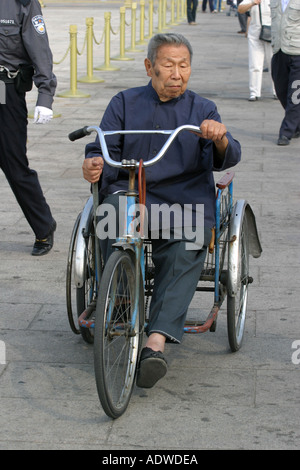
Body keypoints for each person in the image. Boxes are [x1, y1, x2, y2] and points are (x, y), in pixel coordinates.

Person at [82, 33, 241, 389]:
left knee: (187, 243)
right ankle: (120, 294)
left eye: (184, 65)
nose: (177, 73)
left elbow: (228, 156)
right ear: (149, 67)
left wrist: (219, 137)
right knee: (110, 215)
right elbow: (102, 146)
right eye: (168, 65)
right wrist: (93, 163)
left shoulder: (202, 109)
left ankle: (156, 343)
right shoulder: (124, 102)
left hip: (183, 198)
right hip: (132, 192)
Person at [0, 0, 57, 256]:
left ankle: (43, 226)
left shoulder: (22, 3)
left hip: (4, 88)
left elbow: (39, 49)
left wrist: (45, 96)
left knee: (13, 163)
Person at [270, 0, 300, 146]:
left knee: (295, 95)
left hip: (298, 52)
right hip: (279, 52)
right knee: (281, 90)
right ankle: (297, 124)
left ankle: (286, 132)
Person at [238, 0, 275, 101]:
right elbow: (240, 9)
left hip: (272, 35)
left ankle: (276, 90)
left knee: (274, 63)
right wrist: (253, 3)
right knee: (255, 64)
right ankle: (254, 92)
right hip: (255, 35)